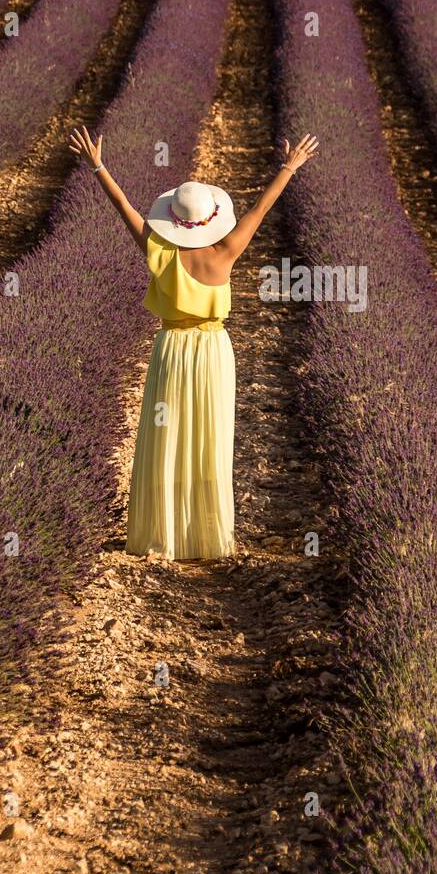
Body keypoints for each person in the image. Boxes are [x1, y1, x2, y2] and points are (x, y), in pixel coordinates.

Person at [69, 125, 319, 559]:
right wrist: (288, 167)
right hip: (213, 352)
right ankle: (206, 537)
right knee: (210, 439)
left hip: (171, 351)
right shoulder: (226, 251)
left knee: (166, 439)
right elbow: (259, 210)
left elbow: (124, 206)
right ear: (211, 219)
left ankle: (162, 534)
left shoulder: (159, 250)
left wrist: (98, 165)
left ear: (173, 220)